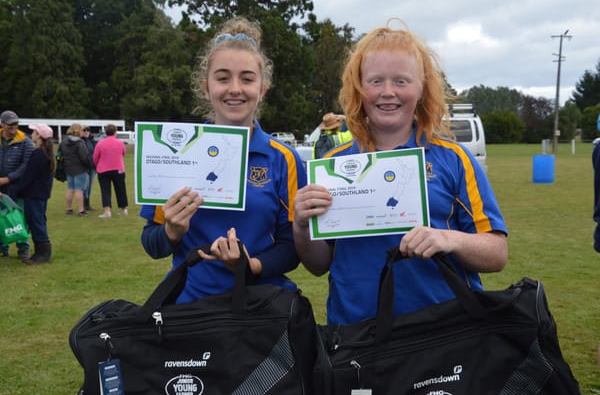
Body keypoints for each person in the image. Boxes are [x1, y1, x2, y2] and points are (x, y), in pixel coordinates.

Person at [293, 20, 508, 325]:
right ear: (359, 87)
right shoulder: (334, 165)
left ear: (422, 88)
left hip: (442, 331)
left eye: (402, 81)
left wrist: (449, 239)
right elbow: (318, 264)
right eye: (376, 81)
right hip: (356, 335)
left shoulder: (455, 159)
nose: (388, 92)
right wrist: (301, 226)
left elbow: (497, 253)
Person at [140, 17, 307, 302]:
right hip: (191, 310)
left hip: (261, 310)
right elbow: (152, 244)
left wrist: (250, 266)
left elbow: (292, 246)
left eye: (246, 78)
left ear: (262, 89)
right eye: (222, 77)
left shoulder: (284, 159)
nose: (234, 88)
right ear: (206, 87)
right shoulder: (173, 153)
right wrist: (172, 230)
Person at [13, 124, 54, 264]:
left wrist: (18, 189)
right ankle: (40, 252)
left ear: (39, 136)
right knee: (39, 221)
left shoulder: (38, 154)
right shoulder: (46, 153)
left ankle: (43, 254)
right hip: (41, 194)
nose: (32, 134)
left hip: (34, 194)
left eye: (34, 132)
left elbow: (29, 175)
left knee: (36, 222)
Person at [0, 110, 34, 261]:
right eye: (10, 124)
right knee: (1, 218)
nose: (14, 127)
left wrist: (8, 178)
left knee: (20, 217)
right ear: (2, 124)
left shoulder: (25, 141)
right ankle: (3, 247)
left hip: (17, 186)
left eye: (16, 124)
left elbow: (27, 164)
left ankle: (23, 248)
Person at [93, 124, 128, 218]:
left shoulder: (100, 143)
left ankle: (107, 211)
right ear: (115, 132)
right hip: (118, 169)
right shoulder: (120, 143)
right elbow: (123, 153)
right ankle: (123, 209)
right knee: (121, 189)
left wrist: (97, 166)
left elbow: (95, 157)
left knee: (105, 190)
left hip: (103, 169)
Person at [59, 123, 92, 216]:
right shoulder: (80, 142)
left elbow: (60, 153)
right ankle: (81, 210)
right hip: (80, 168)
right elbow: (84, 156)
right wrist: (89, 165)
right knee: (79, 190)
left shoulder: (64, 141)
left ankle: (69, 208)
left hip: (68, 167)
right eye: (81, 130)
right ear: (78, 131)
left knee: (70, 189)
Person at [80, 126, 97, 211]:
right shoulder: (80, 141)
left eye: (88, 130)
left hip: (93, 166)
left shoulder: (92, 141)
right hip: (84, 167)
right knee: (84, 186)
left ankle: (87, 204)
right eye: (84, 130)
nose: (86, 132)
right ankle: (83, 204)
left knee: (90, 185)